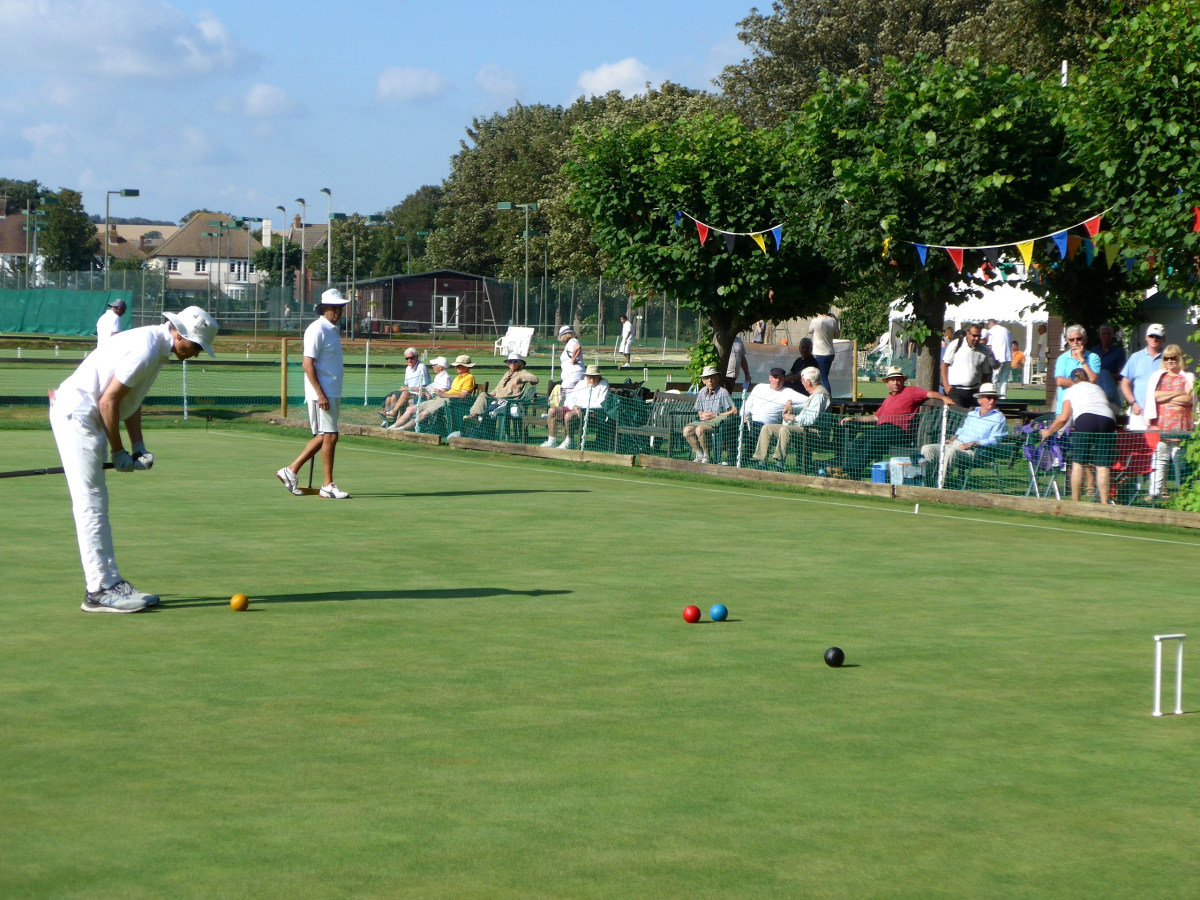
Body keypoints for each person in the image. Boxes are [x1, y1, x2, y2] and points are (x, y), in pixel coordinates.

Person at [51, 306, 217, 612]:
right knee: (91, 502)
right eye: (195, 346)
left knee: (96, 501)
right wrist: (118, 451)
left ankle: (109, 582)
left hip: (86, 414)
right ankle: (100, 589)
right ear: (178, 333)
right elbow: (108, 401)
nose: (196, 354)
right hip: (78, 416)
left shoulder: (156, 347)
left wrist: (137, 445)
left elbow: (130, 399)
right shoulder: (146, 349)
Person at [277, 288, 352, 499]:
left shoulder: (332, 329)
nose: (338, 311)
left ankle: (290, 471)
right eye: (334, 307)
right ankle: (327, 485)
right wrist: (320, 394)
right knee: (331, 436)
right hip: (322, 393)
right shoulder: (317, 329)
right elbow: (307, 363)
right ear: (324, 308)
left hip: (332, 391)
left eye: (341, 307)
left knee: (324, 436)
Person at [837, 366, 952, 479]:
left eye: (898, 379)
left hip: (900, 432)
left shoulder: (911, 391)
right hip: (883, 429)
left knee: (873, 440)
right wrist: (855, 418)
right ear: (887, 383)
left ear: (903, 381)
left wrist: (944, 398)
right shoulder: (889, 398)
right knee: (860, 440)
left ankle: (852, 473)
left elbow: (930, 394)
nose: (895, 383)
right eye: (892, 380)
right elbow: (875, 417)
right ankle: (847, 470)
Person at [1041, 367, 1117, 503]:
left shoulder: (1071, 390)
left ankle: (1076, 503)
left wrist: (1049, 431)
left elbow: (1063, 418)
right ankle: (1105, 505)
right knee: (1102, 465)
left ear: (1072, 380)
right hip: (1108, 419)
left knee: (1078, 463)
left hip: (1086, 418)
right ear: (1086, 378)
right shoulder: (1097, 388)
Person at [920, 382, 1009, 476]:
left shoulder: (999, 418)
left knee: (951, 452)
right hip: (956, 445)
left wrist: (973, 443)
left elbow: (995, 440)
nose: (992, 401)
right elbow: (962, 429)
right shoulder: (973, 413)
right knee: (927, 449)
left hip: (976, 451)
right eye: (989, 397)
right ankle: (928, 482)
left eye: (994, 398)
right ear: (980, 399)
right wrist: (952, 439)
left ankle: (943, 485)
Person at [752, 367, 830, 469]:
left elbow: (811, 420)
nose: (802, 382)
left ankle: (779, 463)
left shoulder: (820, 395)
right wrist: (790, 406)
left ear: (808, 382)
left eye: (802, 380)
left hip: (814, 431)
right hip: (802, 428)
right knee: (767, 428)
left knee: (785, 429)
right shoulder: (815, 394)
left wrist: (792, 417)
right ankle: (761, 462)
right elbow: (805, 406)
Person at [1145, 344, 1195, 498]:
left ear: (1179, 358)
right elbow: (1155, 396)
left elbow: (1189, 398)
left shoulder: (1187, 377)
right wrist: (1176, 392)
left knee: (1179, 459)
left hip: (1181, 425)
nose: (1170, 361)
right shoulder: (1158, 376)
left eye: (1174, 358)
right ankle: (1155, 492)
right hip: (1161, 425)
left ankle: (1184, 492)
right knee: (1159, 458)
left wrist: (1167, 396)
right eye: (1167, 358)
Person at [543, 364, 609, 449]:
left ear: (599, 376)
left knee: (569, 415)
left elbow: (601, 404)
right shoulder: (581, 383)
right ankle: (552, 441)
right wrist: (574, 406)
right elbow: (570, 398)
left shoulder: (604, 384)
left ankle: (569, 442)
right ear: (586, 376)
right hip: (574, 409)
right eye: (590, 377)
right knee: (552, 411)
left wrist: (581, 408)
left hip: (591, 413)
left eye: (595, 377)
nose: (592, 380)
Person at [683, 365, 737, 463]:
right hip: (703, 421)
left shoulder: (723, 392)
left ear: (717, 378)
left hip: (718, 423)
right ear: (703, 380)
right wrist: (701, 415)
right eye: (707, 378)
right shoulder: (702, 391)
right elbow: (699, 409)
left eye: (712, 377)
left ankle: (707, 456)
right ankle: (699, 454)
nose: (710, 380)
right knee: (687, 430)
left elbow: (734, 410)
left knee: (699, 429)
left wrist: (716, 415)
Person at [1120, 323, 1166, 430]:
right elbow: (1124, 384)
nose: (1154, 339)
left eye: (1157, 337)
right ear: (1146, 337)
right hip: (1139, 413)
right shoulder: (1136, 357)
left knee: (1161, 446)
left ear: (1163, 339)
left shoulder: (1168, 358)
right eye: (1151, 336)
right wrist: (1133, 403)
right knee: (1138, 445)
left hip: (1161, 414)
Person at [941, 324, 998, 408]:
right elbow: (944, 364)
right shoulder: (956, 344)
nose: (977, 338)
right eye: (974, 335)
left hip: (974, 392)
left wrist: (982, 390)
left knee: (973, 419)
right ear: (968, 334)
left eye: (979, 336)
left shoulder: (984, 350)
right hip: (956, 391)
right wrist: (946, 385)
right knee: (957, 418)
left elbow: (985, 373)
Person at [468, 353, 539, 420]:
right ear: (508, 363)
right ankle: (474, 415)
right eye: (511, 361)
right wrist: (489, 395)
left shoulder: (522, 372)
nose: (513, 363)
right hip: (496, 399)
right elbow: (497, 390)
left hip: (508, 401)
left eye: (515, 361)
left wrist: (519, 378)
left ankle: (477, 419)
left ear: (520, 363)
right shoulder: (507, 373)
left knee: (487, 409)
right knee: (483, 395)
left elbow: (535, 379)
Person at [390, 357, 452, 431]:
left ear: (441, 368)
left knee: (422, 415)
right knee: (409, 409)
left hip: (440, 402)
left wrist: (432, 395)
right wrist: (429, 394)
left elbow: (442, 392)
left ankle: (402, 428)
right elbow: (429, 389)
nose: (433, 366)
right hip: (433, 401)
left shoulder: (446, 378)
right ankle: (393, 427)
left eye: (434, 365)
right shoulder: (438, 377)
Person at [1053, 324, 1101, 413]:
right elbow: (1060, 381)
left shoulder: (1094, 357)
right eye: (1072, 340)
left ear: (1085, 339)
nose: (1075, 342)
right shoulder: (1062, 358)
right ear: (1068, 341)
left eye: (1079, 339)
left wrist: (1082, 358)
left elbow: (1093, 379)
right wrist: (1084, 382)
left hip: (1085, 408)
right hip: (1064, 409)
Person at [380, 348, 428, 424]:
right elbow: (407, 385)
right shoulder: (408, 369)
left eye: (411, 358)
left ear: (417, 357)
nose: (409, 360)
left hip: (420, 393)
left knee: (405, 393)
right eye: (407, 358)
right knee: (391, 398)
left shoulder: (421, 367)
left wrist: (408, 388)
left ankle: (392, 414)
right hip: (409, 392)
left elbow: (425, 388)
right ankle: (388, 419)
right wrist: (406, 389)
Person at [1091, 323, 1126, 406]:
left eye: (1108, 334)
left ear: (1112, 335)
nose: (1106, 336)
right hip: (1095, 388)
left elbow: (1122, 375)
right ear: (1100, 335)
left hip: (1110, 390)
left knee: (1104, 372)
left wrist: (1106, 375)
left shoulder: (1119, 352)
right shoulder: (1093, 351)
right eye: (1104, 334)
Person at [808, 310, 840, 393]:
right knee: (823, 377)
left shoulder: (815, 321)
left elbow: (809, 331)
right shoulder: (832, 321)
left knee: (823, 379)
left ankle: (828, 399)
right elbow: (837, 335)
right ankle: (821, 396)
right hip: (830, 353)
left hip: (820, 353)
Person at [984, 318, 1013, 397]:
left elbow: (989, 346)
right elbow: (1011, 344)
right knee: (1004, 380)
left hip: (997, 359)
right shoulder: (1006, 330)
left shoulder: (990, 332)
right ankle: (1003, 398)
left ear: (990, 324)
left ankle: (991, 397)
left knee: (993, 379)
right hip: (1008, 358)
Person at [558, 325, 585, 392]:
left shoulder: (572, 341)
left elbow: (577, 347)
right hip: (573, 374)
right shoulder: (570, 344)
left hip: (573, 374)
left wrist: (573, 359)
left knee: (566, 396)